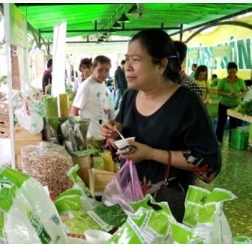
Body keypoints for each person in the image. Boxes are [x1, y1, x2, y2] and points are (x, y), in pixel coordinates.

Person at [100, 29, 221, 221]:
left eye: (136, 60)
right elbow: (122, 135)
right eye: (126, 59)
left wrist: (151, 153)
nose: (127, 67)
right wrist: (114, 133)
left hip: (167, 204)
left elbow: (207, 161)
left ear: (161, 65)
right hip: (129, 197)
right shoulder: (130, 97)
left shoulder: (186, 104)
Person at [70, 55, 111, 138]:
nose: (104, 74)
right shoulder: (86, 86)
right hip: (90, 137)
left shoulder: (102, 83)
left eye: (107, 70)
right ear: (92, 69)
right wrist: (79, 135)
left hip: (102, 136)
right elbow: (74, 110)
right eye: (100, 70)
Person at [215, 62, 248, 144]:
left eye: (234, 72)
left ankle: (231, 140)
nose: (232, 74)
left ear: (236, 71)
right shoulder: (223, 81)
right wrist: (227, 94)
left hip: (235, 106)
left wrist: (239, 94)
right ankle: (218, 140)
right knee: (221, 123)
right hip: (223, 104)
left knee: (234, 124)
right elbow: (218, 91)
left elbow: (245, 91)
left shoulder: (240, 81)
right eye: (230, 72)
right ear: (227, 71)